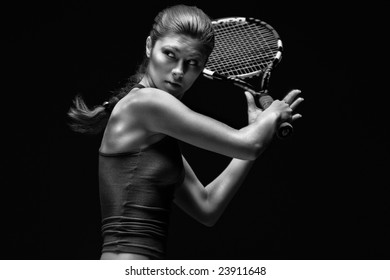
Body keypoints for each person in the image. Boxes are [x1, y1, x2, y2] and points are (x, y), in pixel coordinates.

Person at [68, 4, 303, 260]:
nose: (179, 71)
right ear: (149, 46)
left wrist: (257, 130)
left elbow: (207, 206)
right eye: (169, 54)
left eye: (192, 63)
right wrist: (272, 115)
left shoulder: (155, 132)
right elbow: (247, 145)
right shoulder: (146, 103)